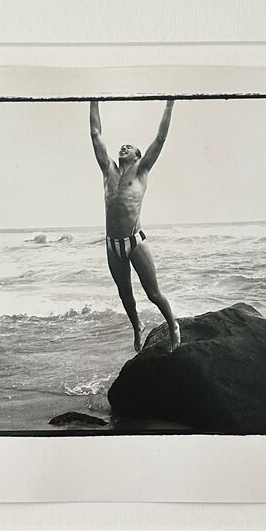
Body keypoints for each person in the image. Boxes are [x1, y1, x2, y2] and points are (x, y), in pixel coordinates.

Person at [89, 97, 182, 353]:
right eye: (122, 146)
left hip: (134, 241)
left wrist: (169, 103)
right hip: (112, 245)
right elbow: (95, 134)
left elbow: (160, 138)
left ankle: (173, 325)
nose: (124, 147)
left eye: (129, 147)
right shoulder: (108, 170)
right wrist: (93, 100)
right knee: (124, 295)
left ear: (138, 156)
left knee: (153, 293)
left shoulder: (141, 170)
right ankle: (136, 326)